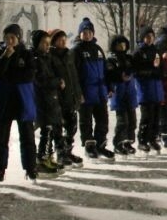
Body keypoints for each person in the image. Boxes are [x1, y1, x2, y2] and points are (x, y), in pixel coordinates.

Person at [0, 23, 38, 181]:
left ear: (18, 38)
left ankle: (30, 167)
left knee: (27, 138)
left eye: (13, 37)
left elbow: (29, 75)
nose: (10, 41)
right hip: (4, 102)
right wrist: (5, 57)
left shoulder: (26, 55)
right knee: (1, 139)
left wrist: (10, 77)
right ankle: (0, 169)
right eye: (7, 38)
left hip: (22, 101)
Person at [72, 19, 112, 159]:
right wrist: (78, 93)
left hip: (100, 92)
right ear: (80, 34)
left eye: (89, 32)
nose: (87, 35)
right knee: (86, 121)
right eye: (84, 32)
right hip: (86, 92)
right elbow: (73, 74)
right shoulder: (76, 50)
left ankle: (101, 145)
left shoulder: (98, 49)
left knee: (103, 120)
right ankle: (89, 146)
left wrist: (109, 87)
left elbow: (106, 70)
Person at [30, 30, 65, 172]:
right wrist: (57, 82)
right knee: (46, 129)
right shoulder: (35, 59)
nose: (47, 46)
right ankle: (41, 158)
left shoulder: (48, 57)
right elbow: (41, 80)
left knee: (51, 128)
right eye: (44, 43)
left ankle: (48, 155)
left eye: (48, 43)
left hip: (51, 99)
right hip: (42, 100)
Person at [50, 29, 84, 164]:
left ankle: (68, 150)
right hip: (58, 97)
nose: (63, 42)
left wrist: (78, 93)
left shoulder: (69, 55)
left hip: (70, 96)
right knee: (58, 127)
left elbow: (74, 77)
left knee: (72, 125)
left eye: (64, 39)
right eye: (60, 40)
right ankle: (60, 153)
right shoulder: (51, 56)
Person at [132, 27, 164, 152]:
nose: (149, 39)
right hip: (145, 89)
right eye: (147, 37)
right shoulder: (139, 52)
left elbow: (161, 69)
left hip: (157, 89)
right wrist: (152, 70)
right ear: (142, 38)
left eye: (151, 36)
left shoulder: (156, 51)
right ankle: (142, 140)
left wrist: (158, 71)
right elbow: (136, 71)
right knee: (147, 117)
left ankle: (152, 139)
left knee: (156, 117)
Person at [107, 35, 138, 154]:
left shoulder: (129, 58)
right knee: (122, 121)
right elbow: (110, 74)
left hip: (130, 92)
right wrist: (121, 76)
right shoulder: (111, 60)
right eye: (119, 44)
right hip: (119, 93)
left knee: (132, 120)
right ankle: (118, 143)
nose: (122, 46)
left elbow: (135, 67)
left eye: (123, 44)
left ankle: (128, 142)